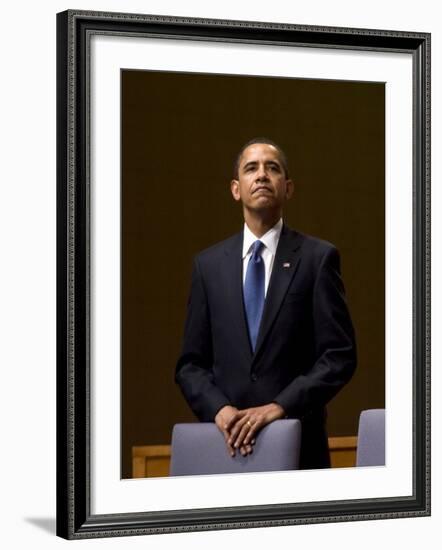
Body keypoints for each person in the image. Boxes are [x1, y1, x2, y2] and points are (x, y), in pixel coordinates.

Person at [175, 137, 357, 469]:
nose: (261, 175)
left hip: (300, 446)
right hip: (225, 446)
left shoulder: (318, 258)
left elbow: (339, 356)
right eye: (251, 168)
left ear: (288, 188)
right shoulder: (208, 266)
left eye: (272, 168)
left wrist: (279, 406)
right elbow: (191, 365)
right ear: (235, 189)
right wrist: (220, 409)